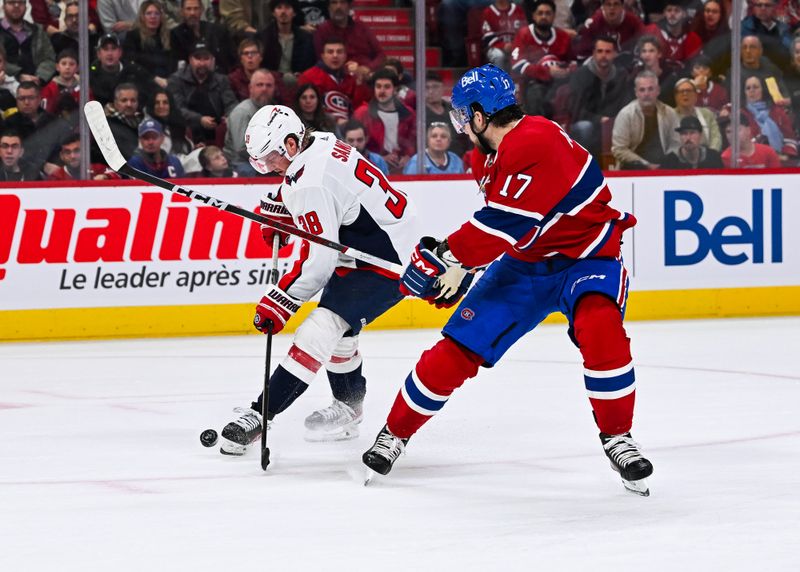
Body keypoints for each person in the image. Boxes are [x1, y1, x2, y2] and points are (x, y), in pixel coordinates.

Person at [361, 65, 653, 496]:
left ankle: (618, 437)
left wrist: (442, 258)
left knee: (601, 330)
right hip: (525, 264)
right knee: (457, 349)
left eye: (464, 118)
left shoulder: (537, 140)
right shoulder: (488, 157)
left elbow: (500, 223)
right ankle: (396, 433)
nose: (462, 128)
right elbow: (513, 227)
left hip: (587, 254)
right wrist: (460, 273)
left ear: (479, 115)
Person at [217, 104, 418, 452]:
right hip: (376, 243)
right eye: (259, 162)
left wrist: (282, 301)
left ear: (293, 145)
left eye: (269, 160)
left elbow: (319, 260)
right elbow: (299, 184)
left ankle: (260, 416)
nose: (268, 169)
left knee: (320, 329)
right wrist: (278, 209)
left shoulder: (309, 185)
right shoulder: (321, 141)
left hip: (386, 262)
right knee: (340, 334)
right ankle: (349, 407)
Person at [567, 35, 631, 158]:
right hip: (585, 122)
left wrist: (614, 120)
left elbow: (625, 104)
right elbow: (575, 110)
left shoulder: (621, 76)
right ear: (594, 54)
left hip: (613, 123)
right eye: (600, 51)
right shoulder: (580, 75)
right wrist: (599, 119)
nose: (603, 55)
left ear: (615, 54)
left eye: (608, 52)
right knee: (585, 127)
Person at [510, 0, 576, 116]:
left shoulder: (563, 36)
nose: (544, 16)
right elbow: (517, 65)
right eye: (540, 13)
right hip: (532, 83)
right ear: (533, 16)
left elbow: (573, 62)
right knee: (536, 93)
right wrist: (547, 72)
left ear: (554, 16)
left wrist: (566, 71)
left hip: (559, 83)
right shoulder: (523, 34)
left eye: (548, 13)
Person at [168, 41, 238, 145]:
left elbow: (231, 103)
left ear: (212, 60)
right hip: (187, 131)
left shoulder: (221, 80)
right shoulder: (176, 80)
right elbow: (177, 108)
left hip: (218, 130)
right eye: (198, 59)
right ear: (190, 60)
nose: (202, 63)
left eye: (206, 59)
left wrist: (229, 116)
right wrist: (199, 119)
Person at [352, 68, 416, 174]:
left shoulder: (409, 114)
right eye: (378, 87)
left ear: (395, 89)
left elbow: (414, 142)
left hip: (403, 169)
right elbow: (355, 144)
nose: (381, 91)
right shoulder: (362, 113)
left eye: (386, 87)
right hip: (372, 167)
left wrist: (409, 157)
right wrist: (379, 158)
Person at [612, 70, 680, 169]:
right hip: (635, 166)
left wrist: (666, 163)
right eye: (642, 90)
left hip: (664, 166)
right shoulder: (625, 114)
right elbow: (619, 149)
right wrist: (646, 165)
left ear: (658, 90)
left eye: (651, 89)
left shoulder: (669, 113)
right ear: (636, 93)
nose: (646, 94)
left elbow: (676, 143)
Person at [297, 37, 370, 125]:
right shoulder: (308, 76)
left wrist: (359, 81)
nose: (335, 55)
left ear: (345, 56)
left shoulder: (352, 77)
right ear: (323, 56)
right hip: (321, 125)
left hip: (350, 128)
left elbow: (360, 107)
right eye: (330, 52)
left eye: (339, 52)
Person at [224, 69, 278, 175]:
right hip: (239, 162)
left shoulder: (273, 110)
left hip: (264, 159)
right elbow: (241, 149)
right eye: (260, 85)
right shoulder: (242, 112)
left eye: (269, 85)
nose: (264, 89)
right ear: (250, 88)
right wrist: (271, 159)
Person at [258, 0, 316, 91]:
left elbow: (309, 64)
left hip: (298, 84)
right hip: (270, 83)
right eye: (279, 8)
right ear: (273, 12)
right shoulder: (263, 37)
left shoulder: (305, 38)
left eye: (287, 8)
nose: (283, 12)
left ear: (294, 13)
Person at [313, 0, 384, 73]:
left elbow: (380, 55)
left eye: (342, 2)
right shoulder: (322, 30)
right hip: (340, 76)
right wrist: (350, 70)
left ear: (349, 6)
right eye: (334, 3)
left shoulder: (362, 27)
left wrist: (368, 68)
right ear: (328, 7)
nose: (338, 7)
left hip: (367, 73)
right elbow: (322, 61)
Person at [121, 1, 176, 88]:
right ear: (142, 17)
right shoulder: (133, 36)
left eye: (156, 14)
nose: (153, 17)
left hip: (167, 81)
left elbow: (173, 62)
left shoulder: (170, 36)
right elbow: (130, 64)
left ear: (161, 17)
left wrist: (170, 79)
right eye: (149, 13)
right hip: (143, 82)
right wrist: (154, 78)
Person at [0, 0, 56, 85]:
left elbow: (49, 58)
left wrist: (39, 78)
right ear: (3, 7)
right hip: (5, 84)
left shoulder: (37, 30)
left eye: (21, 2)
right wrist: (18, 75)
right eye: (11, 2)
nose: (16, 5)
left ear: (26, 7)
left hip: (37, 85)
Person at [171, 0, 234, 74]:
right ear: (182, 11)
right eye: (188, 9)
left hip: (219, 78)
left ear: (201, 10)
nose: (192, 13)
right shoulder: (176, 34)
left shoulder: (217, 31)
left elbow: (231, 60)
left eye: (196, 8)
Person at [574, 0, 644, 61]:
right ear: (603, 7)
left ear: (622, 7)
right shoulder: (593, 23)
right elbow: (582, 55)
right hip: (600, 66)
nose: (612, 8)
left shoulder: (633, 21)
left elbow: (643, 46)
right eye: (608, 4)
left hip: (627, 66)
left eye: (616, 4)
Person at [673, 78, 721, 151]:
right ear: (675, 97)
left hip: (707, 158)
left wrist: (711, 156)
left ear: (695, 95)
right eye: (681, 91)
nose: (685, 94)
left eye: (688, 91)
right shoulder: (667, 117)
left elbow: (716, 139)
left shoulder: (707, 114)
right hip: (676, 159)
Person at [48, 134, 119, 180]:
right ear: (62, 156)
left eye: (77, 151)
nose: (72, 156)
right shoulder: (56, 177)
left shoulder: (98, 168)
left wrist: (106, 177)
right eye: (67, 152)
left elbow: (118, 176)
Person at [481, 0, 528, 70]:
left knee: (521, 55)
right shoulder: (488, 12)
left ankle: (518, 80)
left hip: (516, 46)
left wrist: (515, 45)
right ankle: (499, 80)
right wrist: (503, 45)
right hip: (495, 47)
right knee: (499, 56)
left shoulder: (518, 10)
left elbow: (524, 32)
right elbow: (487, 36)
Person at [40, 49, 80, 115]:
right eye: (64, 64)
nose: (67, 67)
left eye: (72, 64)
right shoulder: (49, 89)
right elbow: (45, 113)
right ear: (57, 67)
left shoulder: (84, 88)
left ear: (77, 68)